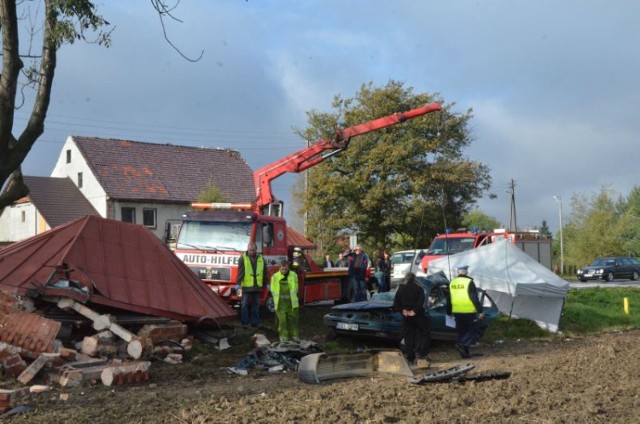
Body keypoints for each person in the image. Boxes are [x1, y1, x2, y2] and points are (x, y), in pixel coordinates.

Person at [446, 265, 485, 358]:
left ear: (458, 272)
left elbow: (449, 298)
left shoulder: (452, 283)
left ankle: (465, 354)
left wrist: (448, 311)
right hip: (468, 311)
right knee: (473, 330)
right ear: (466, 272)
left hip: (457, 311)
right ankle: (461, 344)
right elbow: (474, 297)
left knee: (462, 332)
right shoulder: (469, 282)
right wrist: (480, 311)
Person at [393, 272, 431, 364]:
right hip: (417, 315)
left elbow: (396, 304)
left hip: (406, 316)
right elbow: (421, 302)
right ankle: (422, 353)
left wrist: (403, 310)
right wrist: (414, 311)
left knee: (408, 335)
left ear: (406, 279)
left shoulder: (400, 290)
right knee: (425, 331)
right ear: (414, 279)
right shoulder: (419, 289)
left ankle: (410, 357)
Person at [235, 242, 268, 329]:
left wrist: (267, 283)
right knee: (244, 304)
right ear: (248, 249)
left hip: (257, 286)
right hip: (246, 286)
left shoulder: (261, 258)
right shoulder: (242, 258)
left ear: (256, 250)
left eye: (253, 250)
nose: (252, 252)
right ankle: (245, 323)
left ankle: (255, 322)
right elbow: (240, 272)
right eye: (250, 250)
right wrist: (238, 283)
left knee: (256, 304)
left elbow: (264, 272)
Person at [270, 259, 300, 342]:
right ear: (279, 268)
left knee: (293, 322)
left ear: (288, 267)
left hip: (292, 304)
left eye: (286, 269)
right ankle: (284, 339)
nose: (284, 271)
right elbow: (273, 290)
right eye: (282, 269)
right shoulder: (275, 277)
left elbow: (296, 288)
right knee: (282, 323)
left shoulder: (294, 275)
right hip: (280, 305)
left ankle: (295, 338)